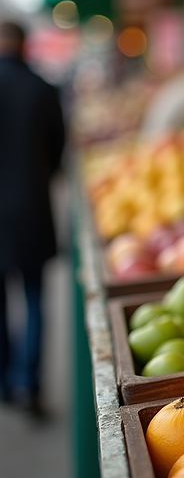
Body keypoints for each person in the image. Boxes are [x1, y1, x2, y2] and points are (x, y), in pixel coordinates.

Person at [0, 21, 66, 417]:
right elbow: (58, 151)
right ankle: (31, 382)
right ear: (25, 44)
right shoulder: (42, 87)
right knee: (36, 298)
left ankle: (5, 381)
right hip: (32, 208)